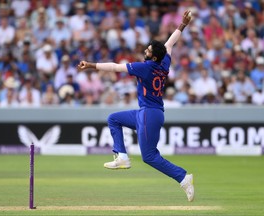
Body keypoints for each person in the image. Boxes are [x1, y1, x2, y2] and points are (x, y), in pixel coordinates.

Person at [78, 10, 194, 202]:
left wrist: (90, 65)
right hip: (145, 112)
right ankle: (121, 156)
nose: (146, 51)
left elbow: (116, 67)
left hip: (150, 114)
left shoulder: (145, 67)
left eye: (148, 51)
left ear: (153, 57)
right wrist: (182, 25)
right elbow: (169, 43)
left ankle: (182, 177)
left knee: (149, 156)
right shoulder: (163, 62)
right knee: (113, 118)